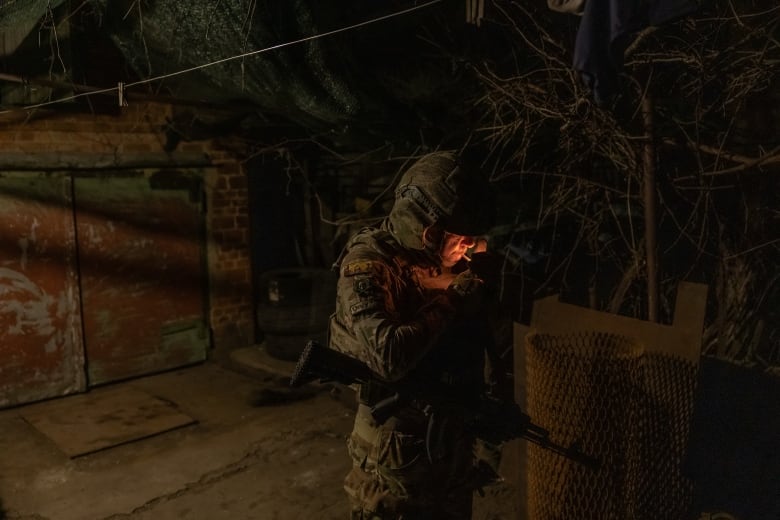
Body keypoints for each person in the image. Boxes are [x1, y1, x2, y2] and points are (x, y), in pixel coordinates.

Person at [328, 150, 505, 519]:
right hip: (393, 454)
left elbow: (480, 349)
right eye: (460, 239)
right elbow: (388, 357)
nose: (467, 249)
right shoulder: (370, 263)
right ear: (428, 231)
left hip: (448, 443)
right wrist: (451, 300)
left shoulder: (438, 265)